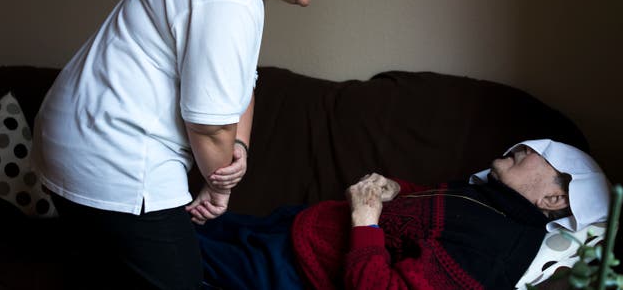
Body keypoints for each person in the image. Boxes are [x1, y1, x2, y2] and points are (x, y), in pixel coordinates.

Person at [31, 0, 353, 289]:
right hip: (113, 158)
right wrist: (221, 187)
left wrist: (240, 153)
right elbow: (210, 126)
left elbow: (243, 87)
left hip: (74, 142)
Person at [194, 139, 610, 290]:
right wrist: (394, 189)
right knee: (180, 219)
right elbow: (426, 210)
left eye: (546, 157)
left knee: (160, 247)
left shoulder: (493, 252)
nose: (531, 147)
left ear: (555, 200)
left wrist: (365, 219)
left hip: (292, 270)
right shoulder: (491, 196)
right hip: (292, 228)